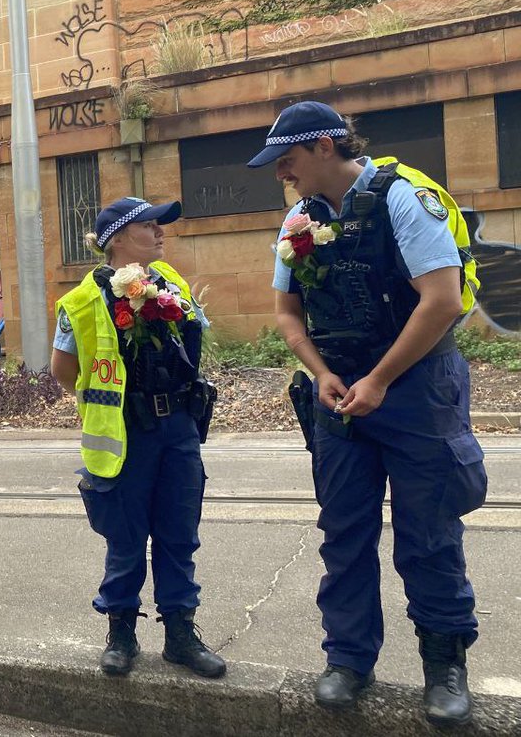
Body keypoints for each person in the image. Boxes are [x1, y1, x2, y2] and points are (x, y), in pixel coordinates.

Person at [248, 100, 486, 725]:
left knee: (429, 533)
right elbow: (286, 312)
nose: (283, 173)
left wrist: (379, 380)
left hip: (414, 389)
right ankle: (348, 660)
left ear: (325, 147)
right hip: (340, 394)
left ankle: (445, 665)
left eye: (288, 159)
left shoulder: (404, 199)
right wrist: (322, 373)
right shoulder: (299, 220)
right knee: (345, 533)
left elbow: (442, 301)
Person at [50, 197, 225, 680]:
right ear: (118, 239)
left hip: (178, 430)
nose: (161, 233)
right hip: (126, 434)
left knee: (178, 535)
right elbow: (64, 370)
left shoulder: (171, 283)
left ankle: (180, 635)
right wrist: (111, 401)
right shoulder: (83, 301)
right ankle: (121, 634)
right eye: (150, 226)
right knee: (126, 540)